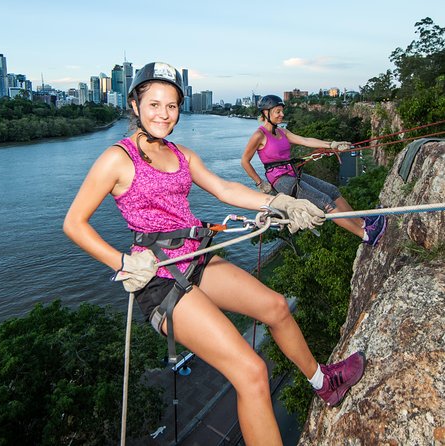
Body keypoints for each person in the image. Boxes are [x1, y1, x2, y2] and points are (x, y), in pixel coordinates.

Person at [63, 62, 365, 445]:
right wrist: (122, 263)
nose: (163, 114)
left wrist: (279, 202)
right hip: (160, 276)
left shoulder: (181, 154)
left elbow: (225, 189)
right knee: (252, 372)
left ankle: (325, 383)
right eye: (154, 104)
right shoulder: (117, 159)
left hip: (197, 256)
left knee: (275, 307)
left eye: (171, 105)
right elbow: (74, 223)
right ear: (135, 105)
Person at [241, 94, 387, 246]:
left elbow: (305, 140)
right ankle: (366, 235)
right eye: (278, 111)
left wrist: (331, 144)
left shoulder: (282, 132)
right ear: (266, 113)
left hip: (293, 174)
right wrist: (259, 183)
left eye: (282, 111)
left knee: (332, 191)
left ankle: (362, 223)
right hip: (282, 181)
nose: (282, 115)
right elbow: (244, 161)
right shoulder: (259, 135)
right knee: (325, 202)